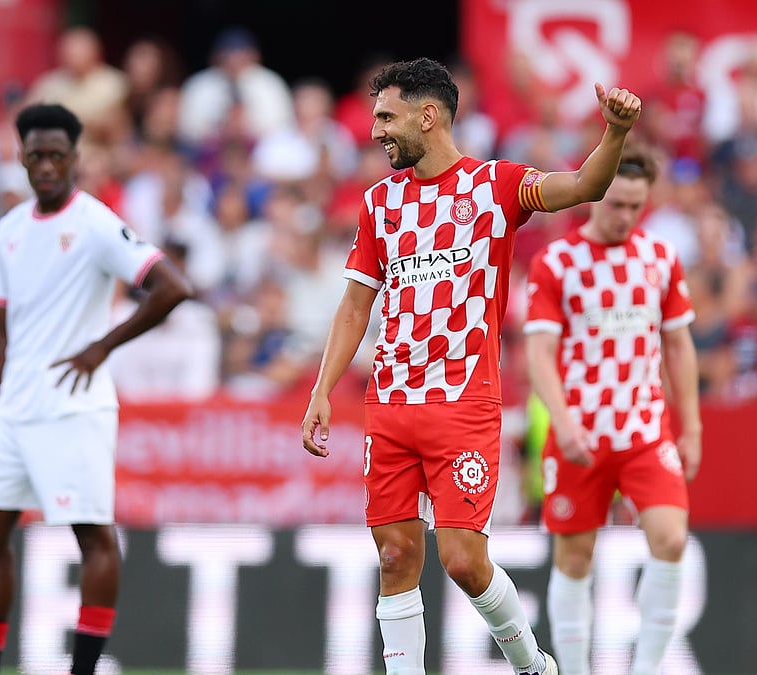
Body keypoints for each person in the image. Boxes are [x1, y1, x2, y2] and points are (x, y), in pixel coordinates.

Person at [300, 57, 642, 675]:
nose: (375, 130)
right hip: (391, 402)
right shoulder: (379, 203)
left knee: (462, 560)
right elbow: (356, 305)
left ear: (427, 116)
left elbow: (583, 188)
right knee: (395, 555)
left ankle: (530, 661)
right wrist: (323, 388)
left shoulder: (495, 186)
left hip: (463, 403)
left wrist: (613, 133)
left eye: (386, 116)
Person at [0, 103, 192, 675]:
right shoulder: (10, 230)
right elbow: (0, 337)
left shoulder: (93, 223)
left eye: (56, 156)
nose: (45, 166)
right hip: (15, 407)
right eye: (35, 155)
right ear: (20, 158)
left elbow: (172, 287)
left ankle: (83, 670)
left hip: (73, 405)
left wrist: (102, 347)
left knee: (92, 537)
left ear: (75, 159)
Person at [523, 146, 702, 675]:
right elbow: (539, 352)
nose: (625, 216)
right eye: (617, 203)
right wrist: (562, 419)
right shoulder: (557, 263)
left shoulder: (659, 258)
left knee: (671, 538)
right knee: (575, 558)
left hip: (645, 428)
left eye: (635, 206)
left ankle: (646, 668)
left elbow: (678, 345)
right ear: (595, 195)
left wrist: (690, 426)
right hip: (580, 430)